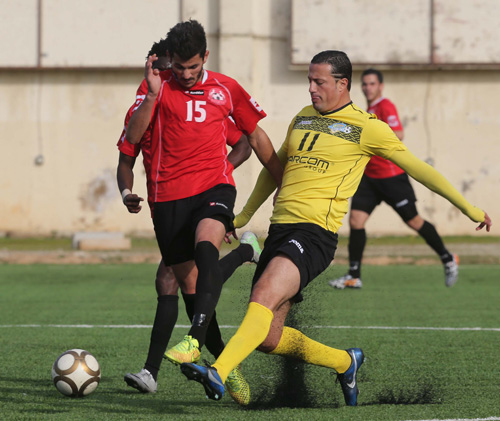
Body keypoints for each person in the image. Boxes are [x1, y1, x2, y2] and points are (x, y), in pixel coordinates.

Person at [179, 50, 492, 406]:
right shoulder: (302, 118)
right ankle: (345, 362)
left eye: (319, 81)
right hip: (281, 230)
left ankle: (218, 372)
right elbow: (274, 167)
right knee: (267, 338)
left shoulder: (367, 126)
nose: (311, 88)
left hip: (315, 235)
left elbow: (419, 168)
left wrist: (468, 208)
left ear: (342, 84)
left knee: (263, 295)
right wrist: (245, 215)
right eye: (309, 81)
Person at [124, 20, 283, 400]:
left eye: (193, 67)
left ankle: (188, 344)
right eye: (179, 67)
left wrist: (281, 182)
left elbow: (254, 138)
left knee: (205, 249)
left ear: (205, 58)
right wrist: (153, 93)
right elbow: (129, 141)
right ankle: (226, 366)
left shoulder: (225, 89)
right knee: (194, 292)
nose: (186, 74)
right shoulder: (156, 90)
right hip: (167, 202)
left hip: (214, 187)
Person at [329, 68, 459, 289]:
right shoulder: (366, 110)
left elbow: (399, 134)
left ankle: (448, 259)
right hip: (369, 177)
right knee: (356, 222)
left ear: (380, 86)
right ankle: (354, 275)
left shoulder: (385, 106)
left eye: (371, 84)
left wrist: (373, 134)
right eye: (364, 84)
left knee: (414, 221)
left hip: (391, 177)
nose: (367, 87)